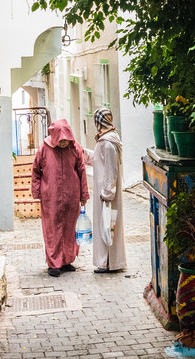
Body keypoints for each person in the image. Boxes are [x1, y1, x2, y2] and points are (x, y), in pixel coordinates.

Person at [31, 119, 89, 277]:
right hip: (51, 197)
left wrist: (84, 194)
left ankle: (67, 260)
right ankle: (54, 263)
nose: (63, 143)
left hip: (71, 196)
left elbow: (81, 171)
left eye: (66, 140)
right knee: (53, 230)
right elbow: (36, 170)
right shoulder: (44, 148)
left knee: (70, 229)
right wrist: (37, 192)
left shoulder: (75, 147)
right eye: (60, 140)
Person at [84, 107, 127, 273]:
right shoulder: (108, 140)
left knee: (108, 226)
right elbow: (99, 161)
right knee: (108, 225)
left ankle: (108, 263)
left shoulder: (108, 143)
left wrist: (107, 194)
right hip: (106, 193)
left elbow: (110, 171)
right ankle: (109, 262)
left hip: (106, 194)